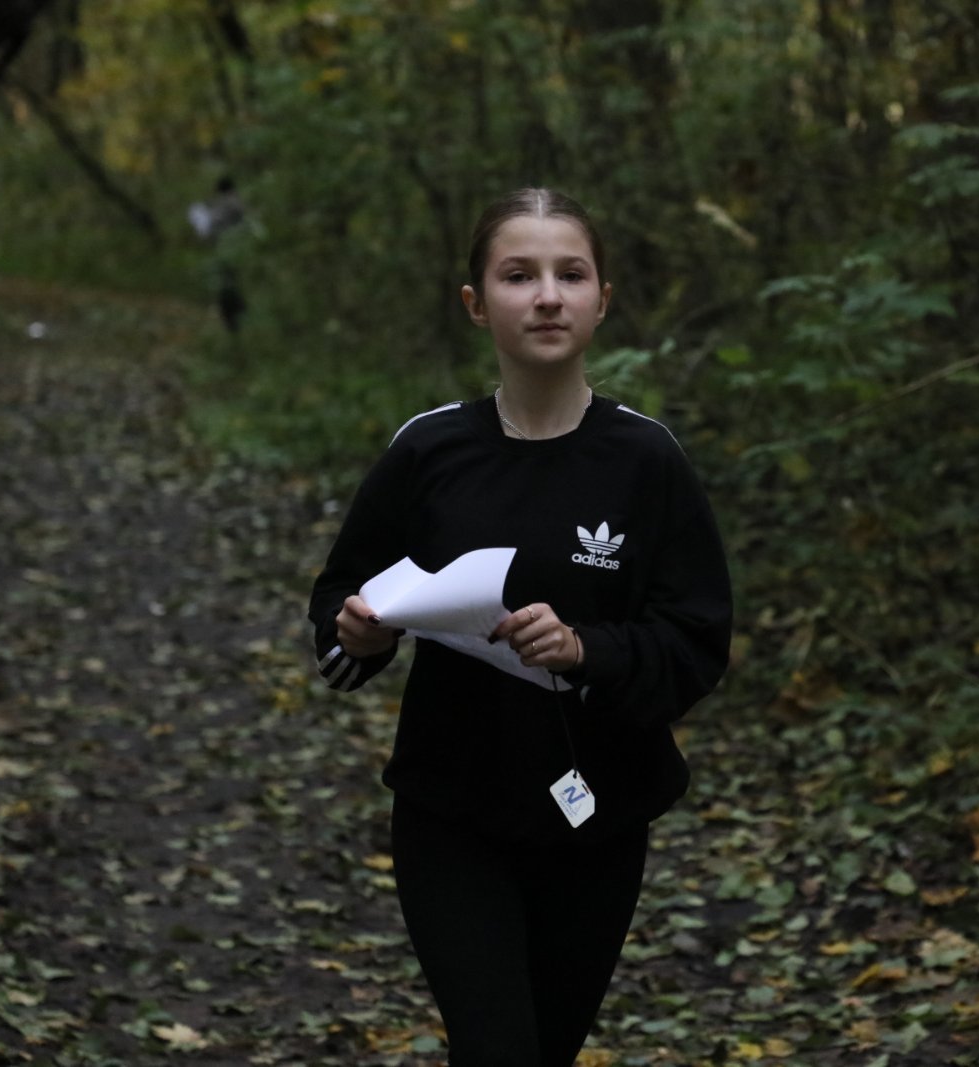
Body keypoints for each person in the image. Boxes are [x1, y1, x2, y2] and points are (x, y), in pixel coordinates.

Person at [307, 187, 732, 1066]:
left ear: (603, 299)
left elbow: (696, 642)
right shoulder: (428, 450)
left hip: (597, 815)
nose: (546, 296)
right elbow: (339, 607)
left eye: (570, 274)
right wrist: (358, 637)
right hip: (450, 809)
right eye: (518, 275)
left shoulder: (646, 459)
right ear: (476, 303)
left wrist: (586, 649)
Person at [187, 176, 248, 333]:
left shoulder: (223, 205)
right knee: (232, 284)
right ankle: (237, 318)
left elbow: (209, 229)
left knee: (227, 285)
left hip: (225, 251)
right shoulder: (235, 203)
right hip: (235, 251)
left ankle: (234, 319)